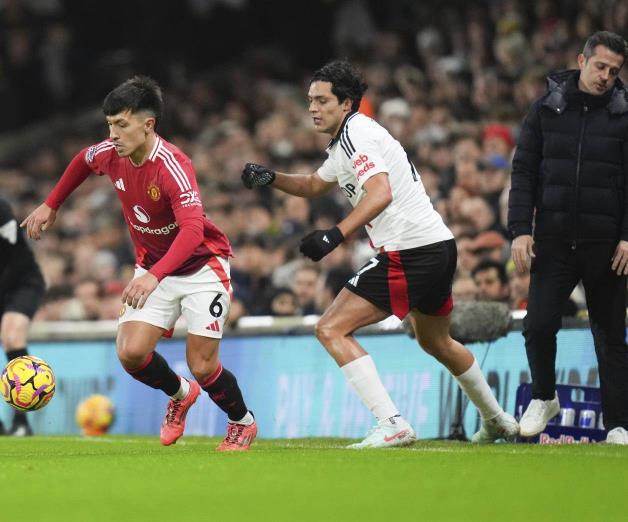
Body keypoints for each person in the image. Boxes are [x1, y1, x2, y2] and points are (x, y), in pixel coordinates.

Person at [242, 60, 518, 448]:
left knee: (330, 328)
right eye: (310, 101)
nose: (313, 108)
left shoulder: (357, 134)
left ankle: (392, 423)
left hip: (410, 250)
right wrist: (272, 178)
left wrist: (335, 235)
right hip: (438, 246)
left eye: (322, 100)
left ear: (346, 103)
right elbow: (311, 184)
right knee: (436, 342)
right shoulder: (345, 141)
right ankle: (498, 419)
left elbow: (380, 193)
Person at [22, 76, 257, 451]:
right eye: (110, 124)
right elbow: (83, 160)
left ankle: (241, 421)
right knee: (131, 353)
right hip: (154, 267)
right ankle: (180, 394)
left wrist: (154, 277)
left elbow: (193, 230)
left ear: (148, 124)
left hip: (201, 267)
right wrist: (52, 203)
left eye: (122, 124)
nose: (113, 133)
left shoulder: (173, 165)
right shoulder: (110, 153)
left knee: (202, 364)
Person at [508, 31, 628, 444]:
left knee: (611, 336)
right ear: (582, 60)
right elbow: (523, 171)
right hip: (554, 241)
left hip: (607, 245)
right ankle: (544, 396)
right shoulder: (545, 110)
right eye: (600, 67)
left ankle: (618, 425)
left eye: (614, 71)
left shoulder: (625, 115)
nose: (606, 77)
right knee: (537, 326)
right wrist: (521, 230)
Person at [0, 196, 46, 436]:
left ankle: (21, 421)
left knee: (12, 334)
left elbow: (14, 259)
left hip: (22, 282)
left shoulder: (1, 209)